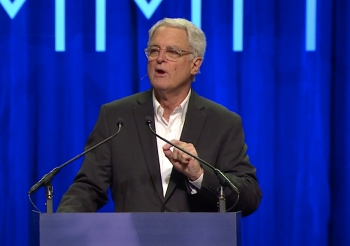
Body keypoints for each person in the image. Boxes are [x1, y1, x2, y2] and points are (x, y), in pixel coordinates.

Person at [57, 18, 262, 216]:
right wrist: (63, 223)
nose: (159, 59)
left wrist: (198, 175)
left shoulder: (223, 123)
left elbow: (249, 197)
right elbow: (88, 187)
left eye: (172, 52)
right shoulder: (117, 117)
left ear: (195, 65)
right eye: (154, 51)